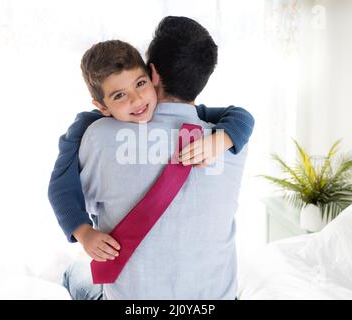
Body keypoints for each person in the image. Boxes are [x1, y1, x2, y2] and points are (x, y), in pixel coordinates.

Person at [49, 16, 254, 299]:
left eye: (140, 83)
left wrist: (83, 232)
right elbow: (234, 115)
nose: (135, 100)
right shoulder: (233, 142)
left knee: (74, 272)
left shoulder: (94, 135)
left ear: (152, 74)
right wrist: (226, 136)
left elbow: (62, 188)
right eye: (120, 95)